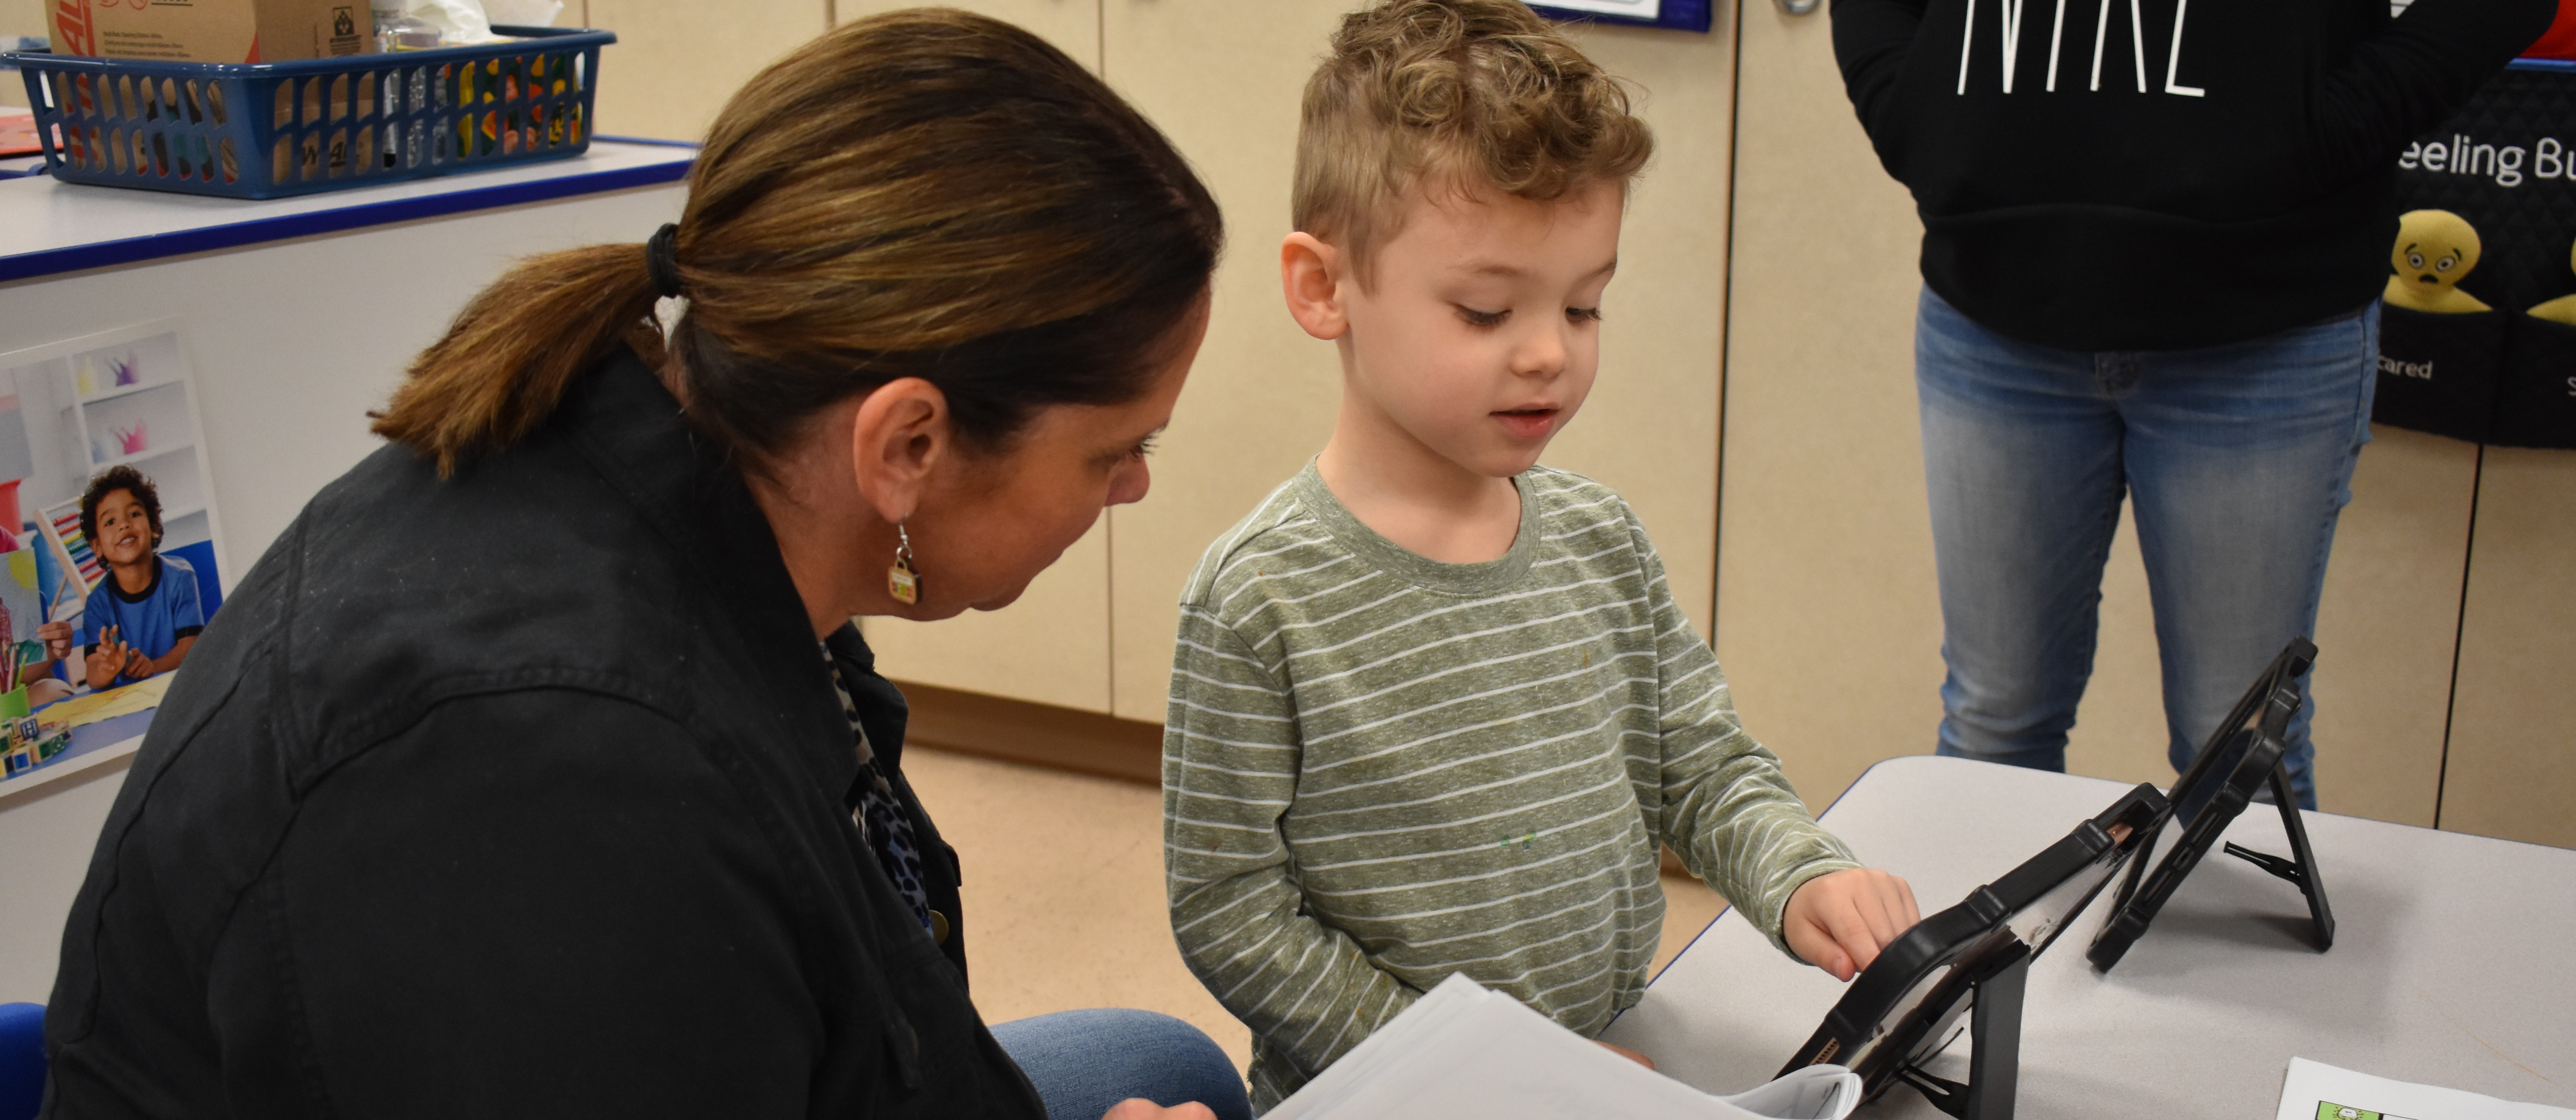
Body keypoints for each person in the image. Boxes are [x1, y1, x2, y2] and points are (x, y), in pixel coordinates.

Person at [42, 13, 1246, 1120]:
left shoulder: (693, 470)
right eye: (1116, 451)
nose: (1131, 488)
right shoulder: (553, 786)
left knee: (1164, 1065)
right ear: (907, 444)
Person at [1160, 2, 1920, 1108]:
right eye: (1485, 311)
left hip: (1606, 1055)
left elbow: (1700, 766)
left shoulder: (1600, 538)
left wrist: (1803, 875)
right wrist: (1478, 1064)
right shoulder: (1257, 598)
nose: (1548, 354)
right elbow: (1231, 910)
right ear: (1324, 289)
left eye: (1584, 305)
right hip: (1393, 1093)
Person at [1830, 0, 2553, 808]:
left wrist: (2322, 129)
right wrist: (1914, 112)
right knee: (1993, 722)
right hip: (1996, 312)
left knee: (2235, 749)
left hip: (2264, 331)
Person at [29, 465, 206, 693]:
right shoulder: (97, 604)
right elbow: (94, 675)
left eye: (134, 514)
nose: (124, 525)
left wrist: (154, 668)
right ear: (97, 546)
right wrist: (107, 668)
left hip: (184, 690)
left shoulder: (180, 578)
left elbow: (192, 647)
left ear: (154, 526)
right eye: (110, 522)